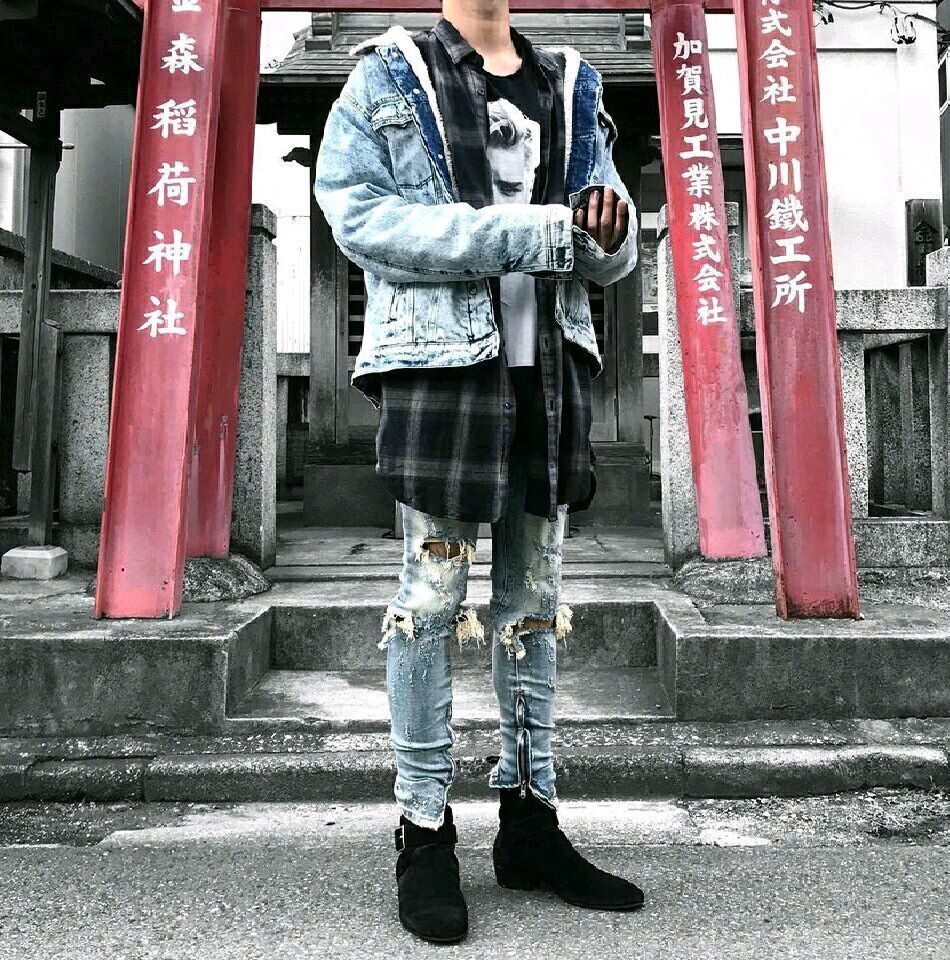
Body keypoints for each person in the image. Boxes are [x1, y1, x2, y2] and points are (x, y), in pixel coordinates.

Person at [314, 0, 643, 944]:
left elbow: (612, 249)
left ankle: (530, 822)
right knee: (429, 600)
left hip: (551, 376)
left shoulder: (569, 85)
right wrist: (533, 234)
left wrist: (606, 233)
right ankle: (423, 833)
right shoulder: (389, 72)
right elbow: (359, 217)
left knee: (534, 601)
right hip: (442, 372)